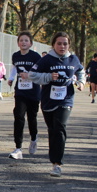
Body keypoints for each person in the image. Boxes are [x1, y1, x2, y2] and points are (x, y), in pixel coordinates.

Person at [29, 32, 85, 176]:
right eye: (59, 43)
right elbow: (32, 75)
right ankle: (53, 159)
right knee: (52, 130)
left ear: (69, 45)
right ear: (53, 45)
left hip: (66, 99)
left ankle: (57, 163)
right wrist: (48, 76)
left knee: (60, 127)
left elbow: (80, 71)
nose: (62, 46)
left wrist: (81, 82)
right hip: (48, 100)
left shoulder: (73, 59)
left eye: (65, 44)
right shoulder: (46, 60)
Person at [6, 31, 42, 159]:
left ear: (31, 43)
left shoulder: (35, 56)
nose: (23, 42)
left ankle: (34, 138)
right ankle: (18, 148)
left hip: (33, 91)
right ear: (18, 43)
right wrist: (11, 78)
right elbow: (14, 68)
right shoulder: (16, 56)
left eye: (26, 40)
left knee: (32, 117)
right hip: (20, 90)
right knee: (19, 116)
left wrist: (30, 75)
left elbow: (40, 72)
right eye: (21, 40)